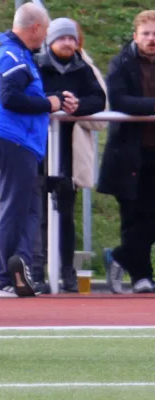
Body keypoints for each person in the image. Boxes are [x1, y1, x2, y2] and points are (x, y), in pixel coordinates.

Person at [0, 3, 59, 298]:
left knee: (27, 207)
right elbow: (10, 97)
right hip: (10, 139)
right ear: (35, 27)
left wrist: (50, 99)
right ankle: (3, 279)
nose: (47, 35)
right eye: (46, 29)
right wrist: (51, 103)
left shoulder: (6, 52)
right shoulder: (13, 55)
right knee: (13, 207)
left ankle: (19, 273)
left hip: (4, 138)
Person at [32, 18, 106, 293]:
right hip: (39, 146)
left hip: (68, 151)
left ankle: (67, 270)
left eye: (71, 39)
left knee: (65, 213)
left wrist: (78, 105)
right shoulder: (37, 64)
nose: (67, 43)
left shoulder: (82, 68)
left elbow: (99, 99)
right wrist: (57, 100)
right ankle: (37, 271)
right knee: (38, 212)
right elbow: (31, 93)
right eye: (62, 38)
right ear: (50, 41)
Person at [98, 9, 155, 294]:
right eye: (146, 33)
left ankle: (118, 256)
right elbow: (120, 100)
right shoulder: (120, 62)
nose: (151, 39)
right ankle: (142, 276)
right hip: (128, 152)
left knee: (150, 217)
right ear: (136, 36)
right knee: (132, 216)